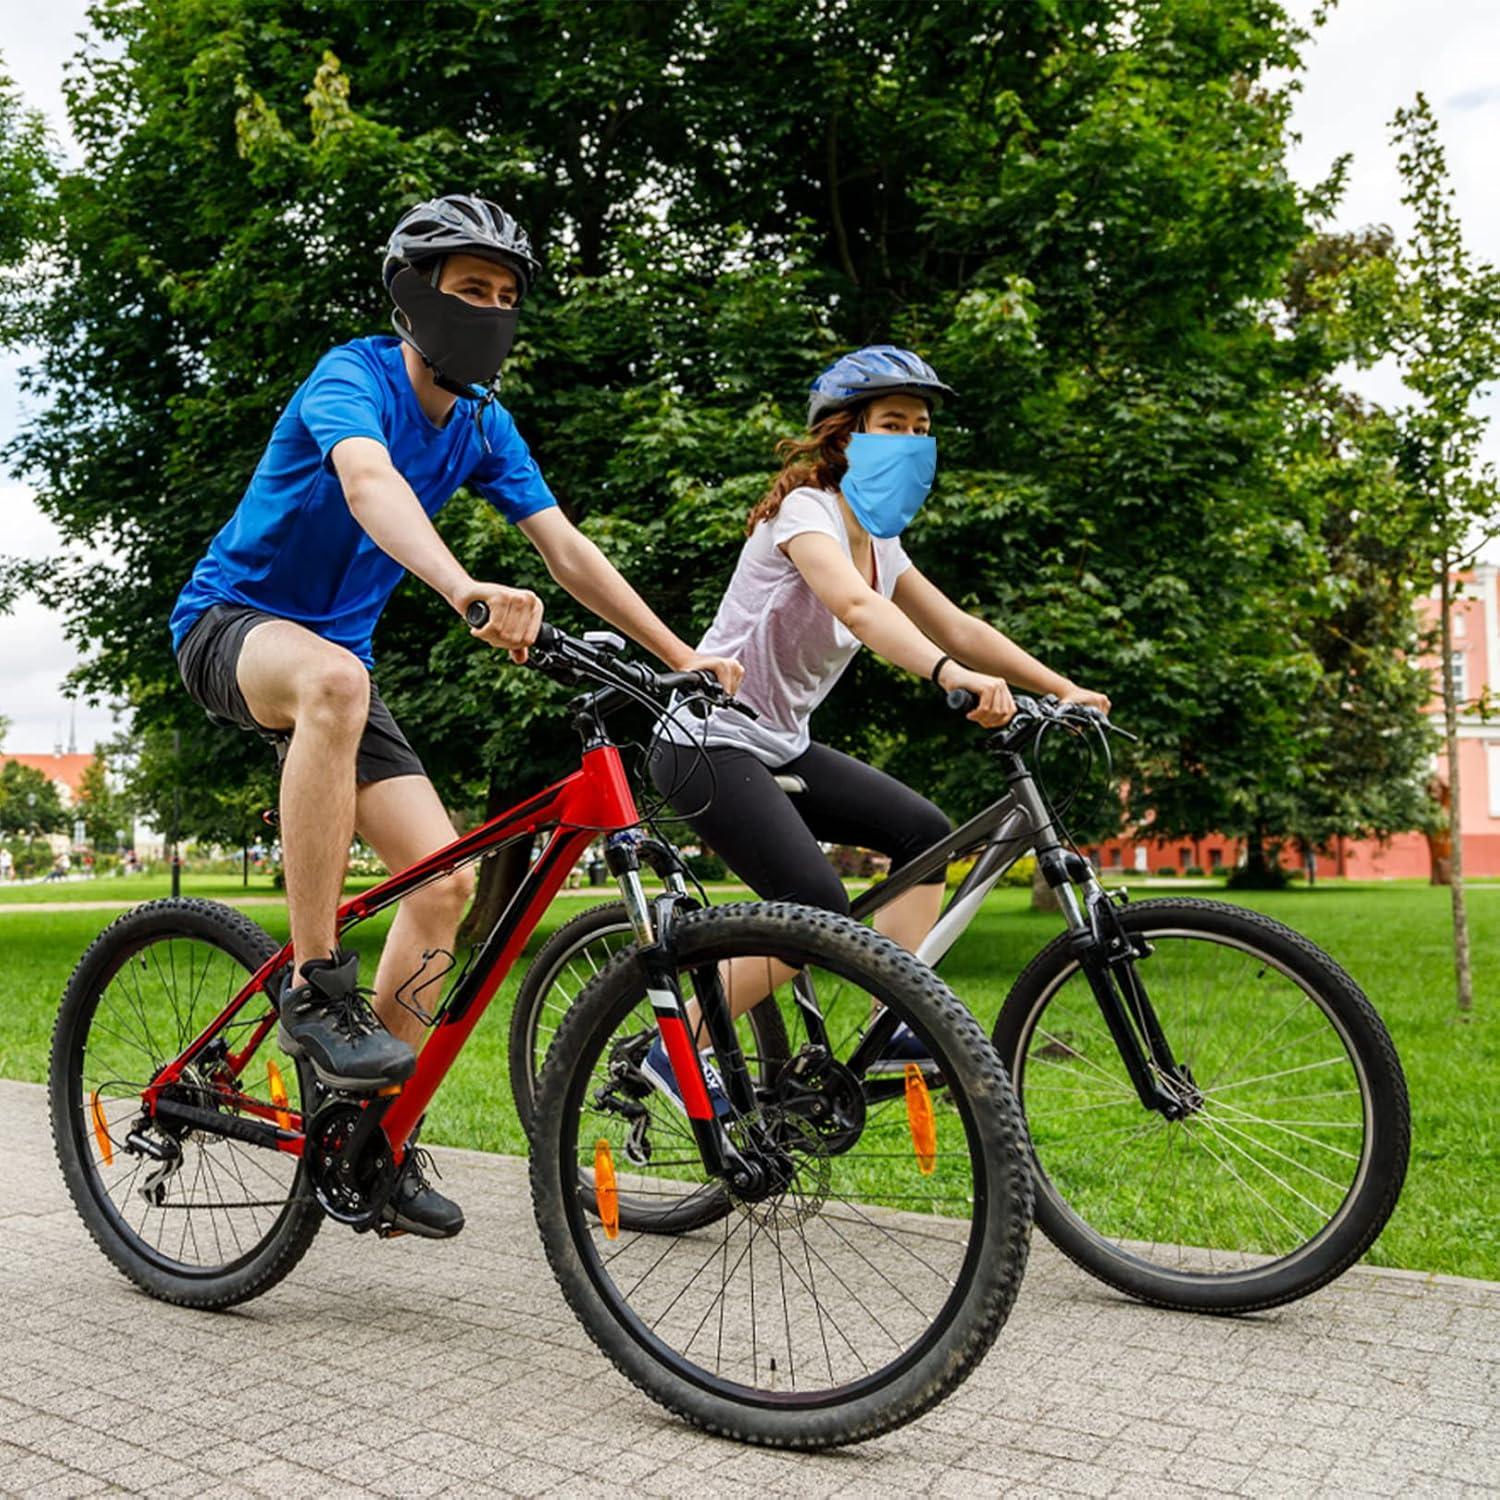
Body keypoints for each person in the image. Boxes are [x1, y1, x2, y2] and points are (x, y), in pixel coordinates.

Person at [170, 194, 740, 1237]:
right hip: (232, 626)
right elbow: (368, 482)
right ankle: (313, 988)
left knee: (446, 890)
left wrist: (678, 654)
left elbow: (565, 547)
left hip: (336, 667)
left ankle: (363, 1137)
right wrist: (460, 587)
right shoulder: (354, 378)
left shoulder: (483, 424)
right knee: (335, 683)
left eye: (506, 296)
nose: (489, 308)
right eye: (468, 288)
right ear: (412, 294)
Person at [647, 345, 1110, 1109]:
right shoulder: (806, 513)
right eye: (890, 423)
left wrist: (1062, 689)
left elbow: (959, 624)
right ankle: (677, 1048)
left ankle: (894, 1021)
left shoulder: (881, 543)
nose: (910, 439)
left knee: (927, 833)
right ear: (843, 436)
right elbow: (857, 609)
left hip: (778, 743)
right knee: (816, 908)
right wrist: (946, 676)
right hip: (707, 741)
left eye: (920, 427)